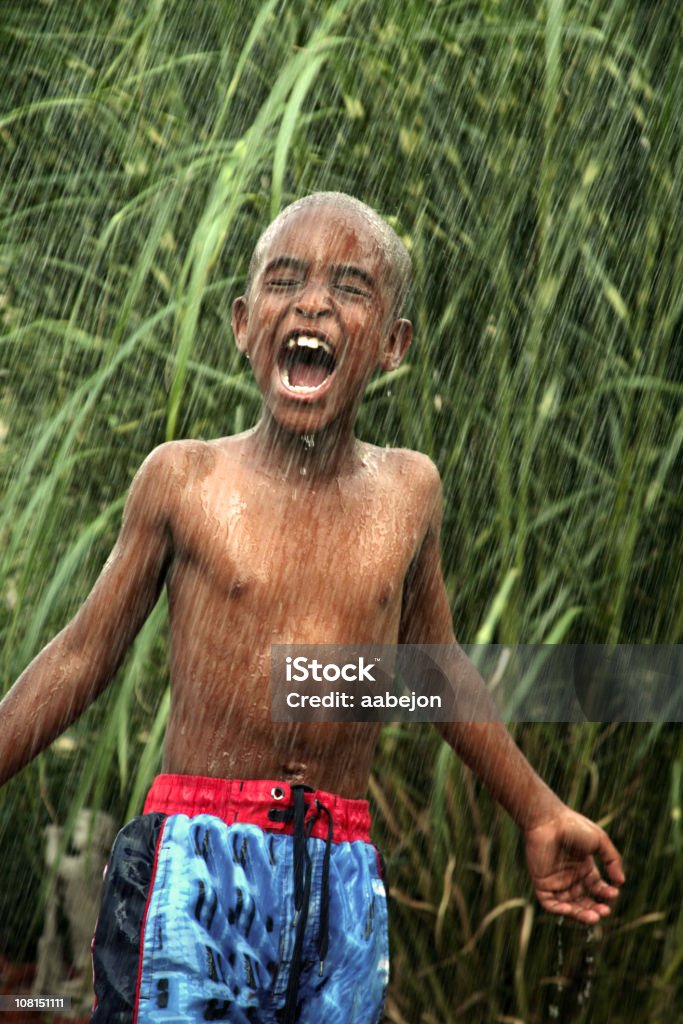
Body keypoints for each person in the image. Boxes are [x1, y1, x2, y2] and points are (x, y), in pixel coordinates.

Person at [0, 192, 624, 1024]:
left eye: (351, 287)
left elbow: (431, 673)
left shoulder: (407, 492)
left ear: (394, 345)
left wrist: (540, 810)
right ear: (241, 322)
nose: (314, 303)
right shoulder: (186, 480)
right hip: (194, 862)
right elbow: (83, 655)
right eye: (284, 280)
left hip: (340, 877)